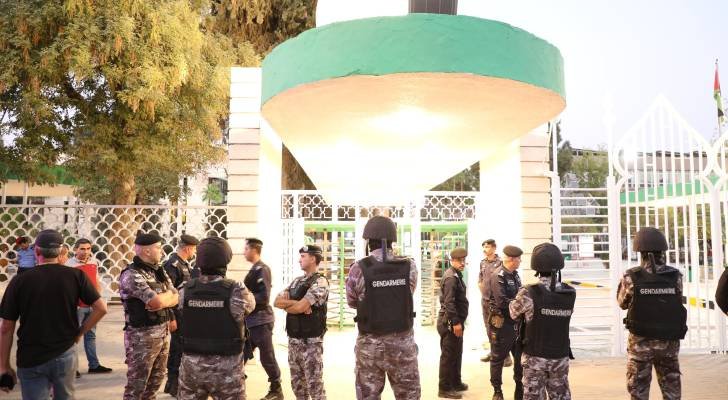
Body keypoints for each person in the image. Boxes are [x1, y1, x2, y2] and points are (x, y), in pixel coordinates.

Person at [0, 229, 107, 399]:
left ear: (36, 251)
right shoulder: (75, 275)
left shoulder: (20, 281)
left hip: (31, 355)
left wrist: (4, 366)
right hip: (64, 352)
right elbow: (101, 308)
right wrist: (79, 332)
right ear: (60, 251)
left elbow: (6, 326)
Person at [345, 215, 420, 400]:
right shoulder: (409, 266)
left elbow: (352, 302)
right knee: (409, 396)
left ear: (368, 241)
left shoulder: (358, 268)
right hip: (402, 344)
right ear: (393, 240)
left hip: (370, 347)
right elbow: (407, 293)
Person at [177, 237, 255, 400]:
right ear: (226, 259)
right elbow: (250, 306)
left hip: (192, 369)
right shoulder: (236, 290)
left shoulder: (186, 290)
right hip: (227, 371)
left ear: (199, 261)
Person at [617, 227, 687, 400]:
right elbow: (677, 301)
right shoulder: (675, 276)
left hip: (640, 345)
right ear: (663, 251)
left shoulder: (631, 277)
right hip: (668, 344)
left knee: (638, 392)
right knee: (672, 392)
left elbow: (622, 303)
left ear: (640, 253)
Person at [510, 243, 575, 400]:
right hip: (560, 357)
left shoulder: (529, 293)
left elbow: (513, 313)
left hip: (535, 358)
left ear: (536, 267)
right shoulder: (570, 293)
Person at [119, 233, 179, 400]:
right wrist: (163, 299)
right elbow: (155, 302)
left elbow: (176, 296)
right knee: (137, 387)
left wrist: (163, 300)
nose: (162, 251)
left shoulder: (158, 271)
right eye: (158, 247)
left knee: (154, 384)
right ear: (146, 251)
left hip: (162, 335)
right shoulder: (131, 274)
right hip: (141, 339)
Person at [274, 245, 329, 400]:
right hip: (294, 341)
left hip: (310, 343)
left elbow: (300, 307)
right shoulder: (296, 282)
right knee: (297, 386)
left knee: (315, 386)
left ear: (313, 258)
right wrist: (296, 304)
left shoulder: (320, 282)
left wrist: (293, 305)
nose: (299, 260)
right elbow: (276, 302)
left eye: (303, 256)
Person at [242, 238, 283, 400]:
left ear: (254, 250)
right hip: (251, 321)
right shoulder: (254, 269)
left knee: (267, 356)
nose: (244, 252)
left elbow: (264, 297)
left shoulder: (262, 269)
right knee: (241, 354)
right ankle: (234, 383)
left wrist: (246, 299)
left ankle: (276, 389)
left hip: (261, 320)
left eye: (246, 249)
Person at [66, 238, 113, 376]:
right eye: (82, 249)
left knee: (91, 336)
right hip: (78, 307)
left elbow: (96, 282)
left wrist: (99, 299)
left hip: (93, 306)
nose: (85, 251)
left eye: (88, 248)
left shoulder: (93, 262)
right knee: (73, 337)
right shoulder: (69, 265)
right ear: (75, 249)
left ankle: (94, 365)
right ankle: (72, 369)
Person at [163, 234, 199, 397]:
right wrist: (171, 317)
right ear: (188, 248)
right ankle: (173, 384)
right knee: (177, 349)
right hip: (176, 315)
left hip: (184, 315)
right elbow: (167, 293)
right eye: (194, 249)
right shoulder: (172, 265)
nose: (195, 252)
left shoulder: (184, 264)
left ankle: (175, 383)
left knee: (181, 348)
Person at [488, 245, 524, 400]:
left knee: (520, 358)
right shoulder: (498, 276)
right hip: (502, 324)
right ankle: (497, 390)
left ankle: (519, 387)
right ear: (511, 259)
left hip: (516, 323)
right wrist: (520, 305)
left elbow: (521, 295)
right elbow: (502, 302)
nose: (520, 261)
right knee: (497, 358)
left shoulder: (515, 275)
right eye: (519, 259)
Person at [437, 247, 469, 399]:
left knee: (457, 353)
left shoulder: (456, 275)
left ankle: (455, 382)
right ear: (452, 261)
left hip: (456, 321)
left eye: (463, 260)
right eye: (459, 260)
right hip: (450, 322)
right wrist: (455, 322)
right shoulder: (451, 278)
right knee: (448, 356)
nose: (462, 263)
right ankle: (444, 388)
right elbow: (449, 302)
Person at [478, 239, 510, 365]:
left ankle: (506, 356)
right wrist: (482, 290)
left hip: (496, 302)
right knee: (489, 328)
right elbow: (480, 279)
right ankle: (494, 352)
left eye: (487, 246)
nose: (484, 249)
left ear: (494, 248)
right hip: (485, 301)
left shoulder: (501, 262)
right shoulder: (483, 263)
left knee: (500, 328)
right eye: (484, 247)